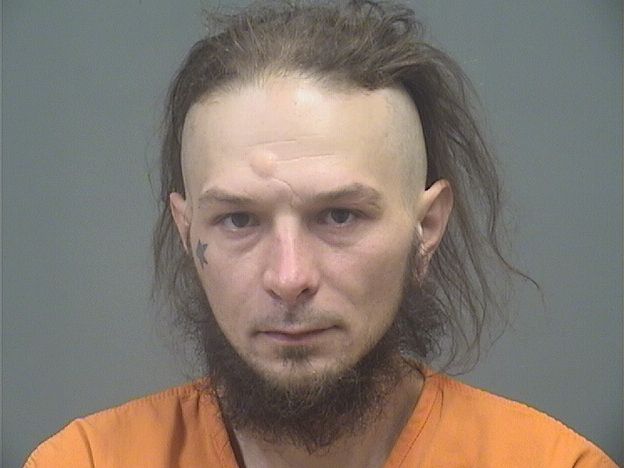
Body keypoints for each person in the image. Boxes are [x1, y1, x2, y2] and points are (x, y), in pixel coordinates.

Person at [25, 1, 616, 466]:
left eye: (339, 216)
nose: (289, 278)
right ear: (187, 232)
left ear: (428, 226)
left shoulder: (551, 462)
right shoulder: (86, 461)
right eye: (238, 220)